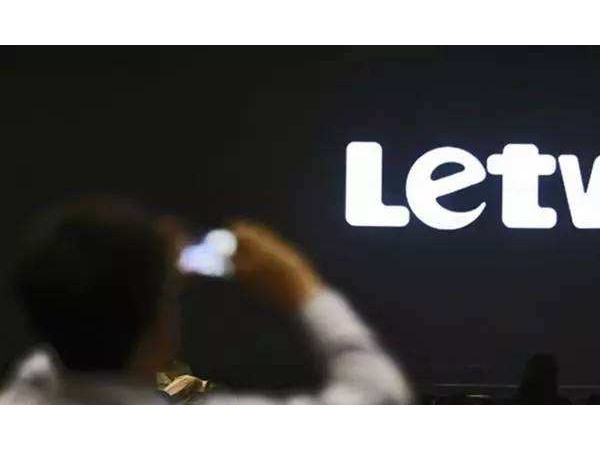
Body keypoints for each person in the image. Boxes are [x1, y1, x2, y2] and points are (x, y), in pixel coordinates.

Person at [0, 197, 412, 404]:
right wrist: (301, 286)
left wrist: (140, 277)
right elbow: (379, 394)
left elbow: (72, 333)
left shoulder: (22, 397)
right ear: (159, 326)